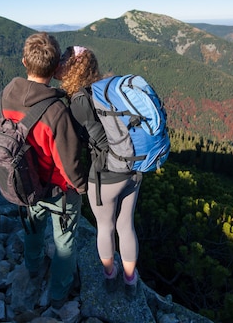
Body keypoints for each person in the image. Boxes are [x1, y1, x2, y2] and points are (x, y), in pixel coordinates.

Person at [0, 33, 87, 310]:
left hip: (22, 185)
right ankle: (59, 294)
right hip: (57, 191)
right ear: (57, 67)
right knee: (65, 241)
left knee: (32, 227)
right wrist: (81, 187)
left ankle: (32, 268)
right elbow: (69, 165)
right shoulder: (56, 111)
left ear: (24, 62)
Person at [56, 45, 142, 297]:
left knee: (105, 227)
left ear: (71, 69)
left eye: (63, 60)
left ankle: (109, 275)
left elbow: (84, 143)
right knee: (126, 225)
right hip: (133, 167)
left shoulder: (78, 102)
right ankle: (130, 280)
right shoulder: (105, 90)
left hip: (105, 173)